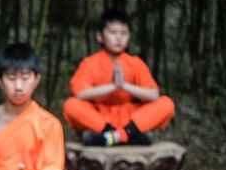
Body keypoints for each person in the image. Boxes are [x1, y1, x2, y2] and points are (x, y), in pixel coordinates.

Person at [63, 9, 175, 146]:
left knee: (166, 104)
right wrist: (113, 87)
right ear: (100, 37)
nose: (118, 38)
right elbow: (80, 94)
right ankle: (125, 135)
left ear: (129, 38)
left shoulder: (135, 63)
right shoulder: (90, 63)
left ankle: (113, 137)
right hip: (100, 117)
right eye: (113, 33)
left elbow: (153, 95)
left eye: (123, 33)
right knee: (71, 105)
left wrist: (124, 86)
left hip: (131, 119)